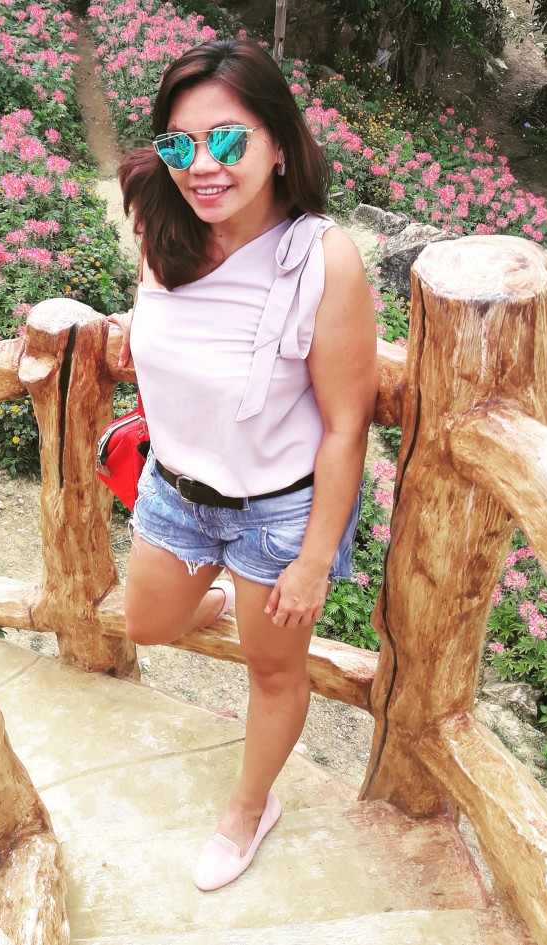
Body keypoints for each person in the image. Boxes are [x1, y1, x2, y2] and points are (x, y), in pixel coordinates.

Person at [109, 38, 378, 891]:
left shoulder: (320, 259)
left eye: (226, 140)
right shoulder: (162, 224)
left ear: (278, 143)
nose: (202, 165)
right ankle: (220, 589)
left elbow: (345, 425)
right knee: (145, 623)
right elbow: (162, 324)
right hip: (175, 490)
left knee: (272, 667)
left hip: (276, 511)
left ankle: (249, 806)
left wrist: (310, 562)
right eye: (179, 143)